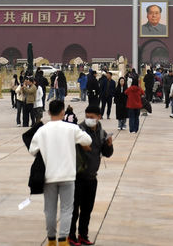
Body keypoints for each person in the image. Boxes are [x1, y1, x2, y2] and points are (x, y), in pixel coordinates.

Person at [28, 99, 92, 246]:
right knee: (67, 209)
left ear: (49, 112)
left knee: (49, 209)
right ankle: (63, 239)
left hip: (49, 175)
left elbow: (32, 150)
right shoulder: (71, 128)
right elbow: (87, 140)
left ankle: (51, 239)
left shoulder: (42, 130)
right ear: (63, 111)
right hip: (68, 175)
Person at [68, 104, 113, 246]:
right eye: (87, 117)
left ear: (99, 117)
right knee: (74, 209)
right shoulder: (78, 130)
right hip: (77, 177)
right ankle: (71, 236)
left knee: (87, 209)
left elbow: (107, 153)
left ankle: (83, 235)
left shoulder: (101, 133)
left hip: (92, 177)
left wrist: (109, 145)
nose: (88, 119)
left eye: (91, 117)